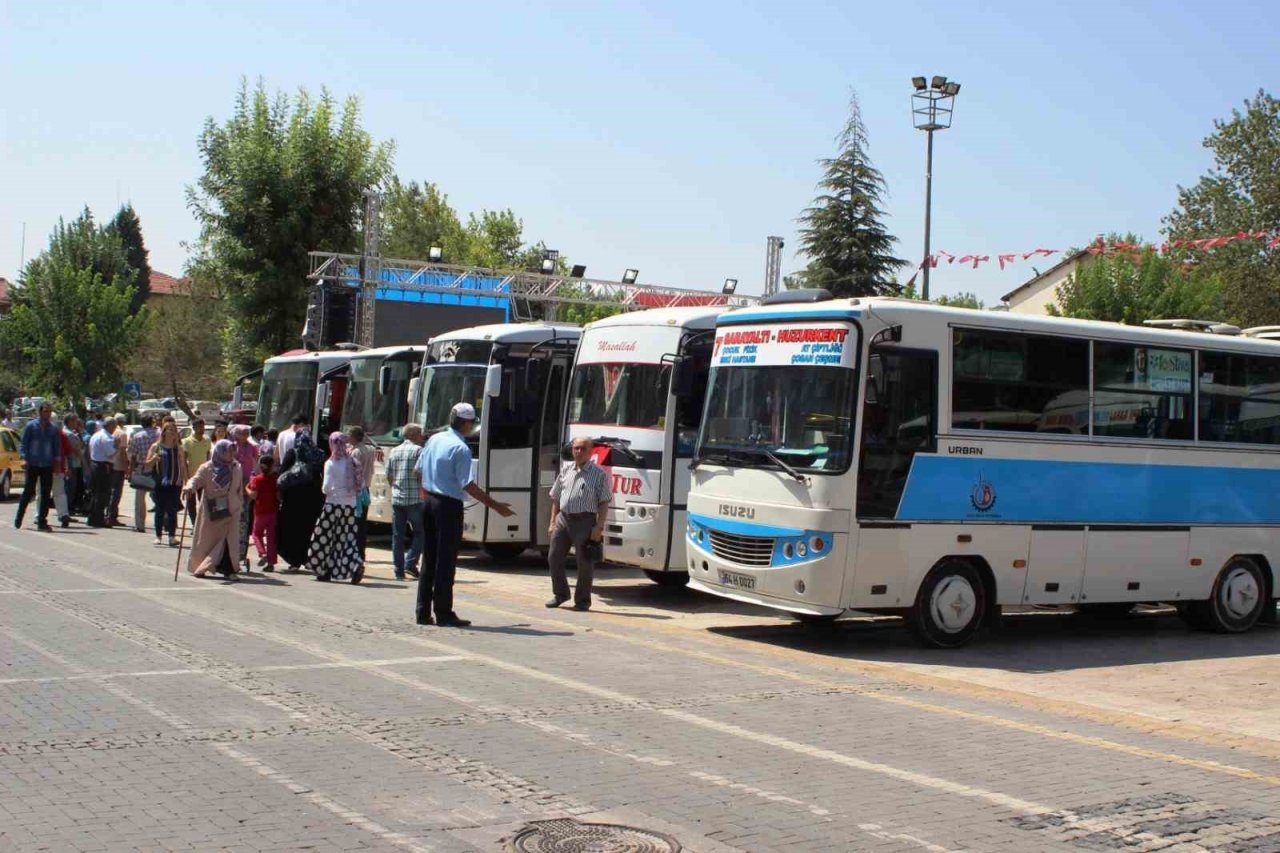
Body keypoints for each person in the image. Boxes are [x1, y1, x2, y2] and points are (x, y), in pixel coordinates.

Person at [414, 403, 513, 627]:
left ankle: (422, 611)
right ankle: (443, 612)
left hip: (428, 501)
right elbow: (467, 484)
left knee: (429, 558)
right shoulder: (461, 448)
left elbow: (416, 471)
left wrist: (426, 496)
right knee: (446, 561)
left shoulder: (434, 439)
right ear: (467, 423)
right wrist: (495, 505)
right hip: (447, 506)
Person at [546, 436, 613, 611]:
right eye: (576, 448)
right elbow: (556, 497)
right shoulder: (566, 469)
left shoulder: (598, 474)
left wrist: (599, 527)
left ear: (591, 452)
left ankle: (582, 601)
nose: (578, 452)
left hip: (585, 521)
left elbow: (604, 502)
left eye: (583, 449)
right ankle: (561, 594)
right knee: (554, 557)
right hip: (563, 519)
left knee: (584, 562)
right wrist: (552, 521)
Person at [306, 432, 364, 583]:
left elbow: (325, 487)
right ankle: (355, 565)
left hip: (333, 503)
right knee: (346, 539)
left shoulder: (331, 463)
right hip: (350, 505)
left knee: (324, 538)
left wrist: (326, 491)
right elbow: (361, 484)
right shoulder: (353, 460)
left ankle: (324, 570)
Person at [182, 439, 244, 578]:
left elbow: (238, 489)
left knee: (229, 541)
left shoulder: (236, 467)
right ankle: (201, 566)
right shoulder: (207, 467)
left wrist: (240, 505)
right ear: (220, 451)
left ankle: (229, 570)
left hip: (232, 509)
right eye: (228, 450)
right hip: (213, 510)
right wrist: (189, 487)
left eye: (233, 450)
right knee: (209, 541)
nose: (231, 453)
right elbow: (196, 479)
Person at [276, 428, 326, 571]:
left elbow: (282, 473)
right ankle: (307, 558)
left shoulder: (293, 452)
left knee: (290, 528)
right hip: (314, 497)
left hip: (294, 497)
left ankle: (294, 560)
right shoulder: (319, 454)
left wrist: (279, 493)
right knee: (308, 528)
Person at [385, 423, 426, 580]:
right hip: (414, 498)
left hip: (397, 499)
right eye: (420, 434)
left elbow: (389, 474)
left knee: (398, 536)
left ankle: (398, 570)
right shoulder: (418, 451)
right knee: (420, 533)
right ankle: (410, 562)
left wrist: (395, 488)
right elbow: (419, 473)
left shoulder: (394, 451)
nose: (422, 437)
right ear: (414, 435)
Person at [13, 404, 62, 532]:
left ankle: (42, 521)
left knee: (46, 494)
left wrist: (57, 465)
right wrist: (23, 458)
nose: (48, 414)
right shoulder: (31, 426)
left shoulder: (53, 429)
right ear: (40, 412)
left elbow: (56, 448)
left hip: (47, 464)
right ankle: (19, 518)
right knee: (28, 492)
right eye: (46, 411)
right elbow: (24, 444)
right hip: (33, 463)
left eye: (50, 412)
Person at [146, 421, 187, 546]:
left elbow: (183, 466)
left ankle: (172, 536)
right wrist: (154, 459)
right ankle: (158, 535)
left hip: (175, 483)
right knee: (160, 509)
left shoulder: (179, 448)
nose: (172, 432)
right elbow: (147, 465)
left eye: (174, 430)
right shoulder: (156, 447)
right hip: (160, 483)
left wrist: (186, 482)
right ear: (163, 432)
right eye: (169, 429)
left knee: (172, 510)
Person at [229, 424, 259, 569]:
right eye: (242, 433)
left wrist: (253, 480)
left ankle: (241, 552)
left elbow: (255, 465)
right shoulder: (231, 446)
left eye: (247, 433)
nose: (245, 436)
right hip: (232, 485)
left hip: (246, 486)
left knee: (244, 519)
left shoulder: (252, 447)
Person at [347, 425, 378, 559]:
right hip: (366, 488)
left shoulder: (356, 452)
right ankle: (361, 551)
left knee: (355, 522)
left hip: (357, 490)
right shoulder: (370, 449)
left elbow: (353, 472)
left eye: (349, 436)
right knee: (362, 522)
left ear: (354, 437)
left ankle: (355, 551)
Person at [246, 455, 280, 571]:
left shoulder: (257, 479)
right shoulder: (276, 479)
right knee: (271, 538)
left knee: (256, 534)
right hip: (273, 512)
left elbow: (253, 495)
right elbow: (278, 496)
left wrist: (246, 488)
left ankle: (262, 553)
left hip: (260, 511)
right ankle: (271, 563)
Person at [127, 415, 159, 532]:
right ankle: (163, 523)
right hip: (158, 468)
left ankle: (140, 525)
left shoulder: (137, 436)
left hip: (141, 468)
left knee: (140, 499)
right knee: (159, 497)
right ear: (152, 422)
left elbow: (133, 456)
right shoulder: (159, 435)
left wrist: (130, 471)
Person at [86, 417, 118, 527]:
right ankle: (99, 519)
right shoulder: (106, 437)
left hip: (94, 464)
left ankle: (92, 517)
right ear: (110, 426)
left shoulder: (96, 435)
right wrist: (117, 446)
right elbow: (110, 453)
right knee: (103, 494)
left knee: (95, 493)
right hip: (103, 466)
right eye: (114, 426)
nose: (114, 429)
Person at [182, 419, 212, 522]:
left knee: (203, 502)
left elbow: (208, 456)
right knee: (191, 503)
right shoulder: (187, 442)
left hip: (203, 477)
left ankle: (201, 523)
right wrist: (186, 478)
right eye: (199, 427)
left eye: (203, 427)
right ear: (194, 428)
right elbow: (183, 461)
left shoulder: (207, 440)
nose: (202, 429)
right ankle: (194, 524)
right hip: (191, 477)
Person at [62, 413, 86, 517]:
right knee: (70, 487)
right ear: (70, 422)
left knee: (67, 487)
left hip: (68, 463)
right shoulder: (70, 434)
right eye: (75, 421)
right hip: (72, 463)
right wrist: (85, 464)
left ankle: (66, 508)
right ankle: (67, 509)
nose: (77, 423)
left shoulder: (65, 432)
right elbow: (76, 450)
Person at [108, 418, 129, 526]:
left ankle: (108, 514)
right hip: (118, 466)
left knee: (110, 491)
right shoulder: (122, 434)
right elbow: (122, 452)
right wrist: (127, 467)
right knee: (116, 493)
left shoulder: (110, 432)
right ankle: (111, 516)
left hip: (109, 464)